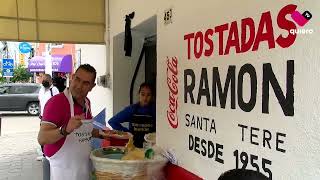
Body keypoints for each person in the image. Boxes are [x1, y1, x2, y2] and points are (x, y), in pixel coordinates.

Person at [37, 64, 107, 180]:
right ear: (72, 77)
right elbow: (42, 138)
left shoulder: (87, 103)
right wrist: (65, 129)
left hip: (84, 170)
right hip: (63, 172)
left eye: (85, 83)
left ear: (92, 87)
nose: (79, 86)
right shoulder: (57, 103)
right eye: (77, 79)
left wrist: (104, 134)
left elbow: (85, 130)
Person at [108, 82, 156, 148]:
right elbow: (112, 122)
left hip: (150, 148)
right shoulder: (131, 109)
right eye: (143, 94)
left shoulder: (155, 110)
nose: (145, 98)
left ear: (152, 96)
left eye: (148, 95)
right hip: (133, 147)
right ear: (139, 94)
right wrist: (127, 133)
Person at [37, 74, 59, 180]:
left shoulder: (54, 90)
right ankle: (44, 155)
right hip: (43, 117)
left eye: (46, 80)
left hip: (52, 119)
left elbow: (57, 103)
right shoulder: (41, 90)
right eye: (43, 80)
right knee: (42, 138)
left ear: (50, 81)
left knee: (49, 137)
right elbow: (41, 102)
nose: (44, 81)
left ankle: (50, 155)